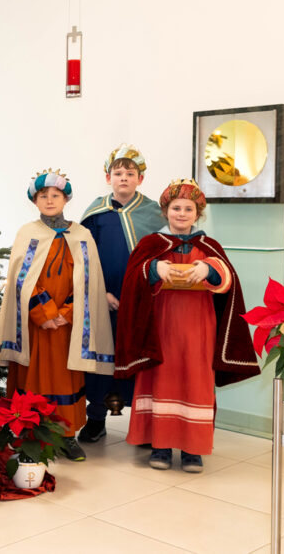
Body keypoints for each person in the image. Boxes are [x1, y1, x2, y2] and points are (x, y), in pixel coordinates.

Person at [114, 179, 259, 472]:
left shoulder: (209, 247)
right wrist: (153, 268)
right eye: (176, 208)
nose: (181, 214)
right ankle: (161, 445)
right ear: (165, 211)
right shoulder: (150, 244)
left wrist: (210, 268)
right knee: (161, 378)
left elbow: (228, 281)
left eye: (188, 209)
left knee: (197, 379)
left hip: (199, 327)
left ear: (198, 213)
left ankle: (193, 449)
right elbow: (132, 281)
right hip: (160, 327)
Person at [0, 169, 115, 462]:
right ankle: (30, 436)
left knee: (65, 379)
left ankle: (66, 437)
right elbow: (21, 279)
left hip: (68, 327)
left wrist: (65, 313)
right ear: (35, 201)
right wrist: (44, 312)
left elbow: (88, 283)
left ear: (65, 199)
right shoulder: (27, 233)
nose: (49, 200)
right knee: (33, 377)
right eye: (43, 195)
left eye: (55, 195)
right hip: (35, 325)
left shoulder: (81, 235)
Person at [77, 144, 164, 443]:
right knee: (102, 361)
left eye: (130, 173)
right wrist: (100, 293)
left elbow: (162, 256)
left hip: (142, 301)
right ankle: (96, 418)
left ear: (141, 178)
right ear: (107, 177)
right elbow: (84, 258)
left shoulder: (154, 214)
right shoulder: (96, 213)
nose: (123, 178)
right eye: (118, 173)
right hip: (104, 300)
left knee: (142, 360)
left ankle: (145, 427)